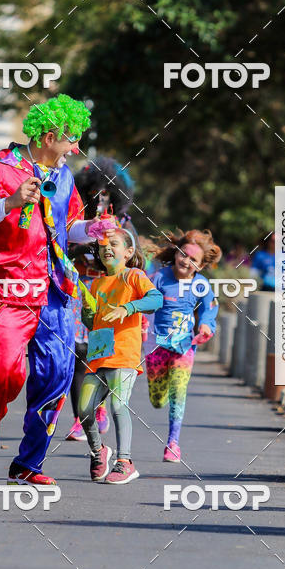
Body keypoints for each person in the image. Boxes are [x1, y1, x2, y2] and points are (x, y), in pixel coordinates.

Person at [0, 94, 108, 485]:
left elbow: (66, 227)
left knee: (56, 375)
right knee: (5, 370)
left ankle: (28, 464)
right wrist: (9, 202)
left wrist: (92, 230)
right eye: (70, 138)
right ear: (49, 134)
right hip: (9, 288)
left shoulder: (64, 176)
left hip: (53, 290)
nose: (74, 148)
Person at [78, 227, 162, 484]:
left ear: (128, 252)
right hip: (99, 356)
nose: (106, 248)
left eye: (113, 243)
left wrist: (128, 308)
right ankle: (98, 451)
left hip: (125, 355)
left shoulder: (133, 276)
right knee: (84, 410)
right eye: (102, 244)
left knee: (117, 405)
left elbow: (156, 299)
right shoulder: (96, 283)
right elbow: (91, 322)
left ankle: (124, 461)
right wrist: (88, 314)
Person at [66, 157, 136, 441]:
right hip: (79, 289)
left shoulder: (124, 223)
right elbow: (61, 249)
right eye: (95, 189)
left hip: (110, 291)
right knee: (77, 354)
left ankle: (101, 408)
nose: (100, 196)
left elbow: (136, 260)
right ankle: (79, 418)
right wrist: (81, 247)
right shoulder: (76, 219)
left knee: (100, 354)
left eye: (107, 191)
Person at [145, 229, 221, 463]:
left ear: (199, 266)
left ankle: (173, 443)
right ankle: (161, 393)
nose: (186, 261)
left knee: (179, 390)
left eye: (193, 260)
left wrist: (207, 326)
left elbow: (210, 308)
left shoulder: (201, 285)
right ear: (176, 253)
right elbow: (143, 300)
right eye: (183, 255)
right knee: (158, 400)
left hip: (184, 346)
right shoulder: (159, 277)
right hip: (156, 344)